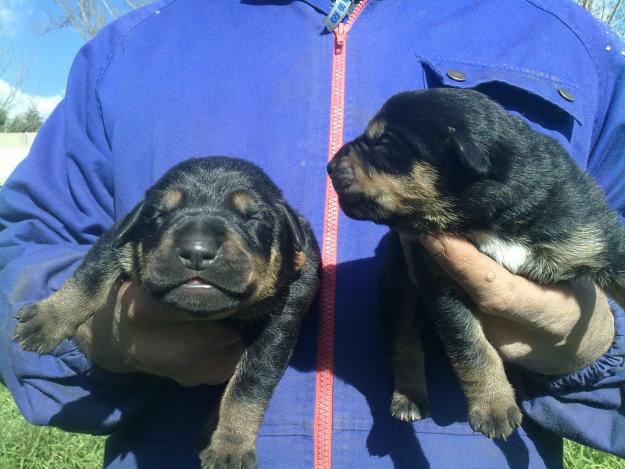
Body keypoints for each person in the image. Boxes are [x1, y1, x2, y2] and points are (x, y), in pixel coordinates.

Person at [1, 0, 624, 467]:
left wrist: (598, 341)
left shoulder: (567, 38)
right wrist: (98, 331)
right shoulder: (133, 45)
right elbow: (21, 246)